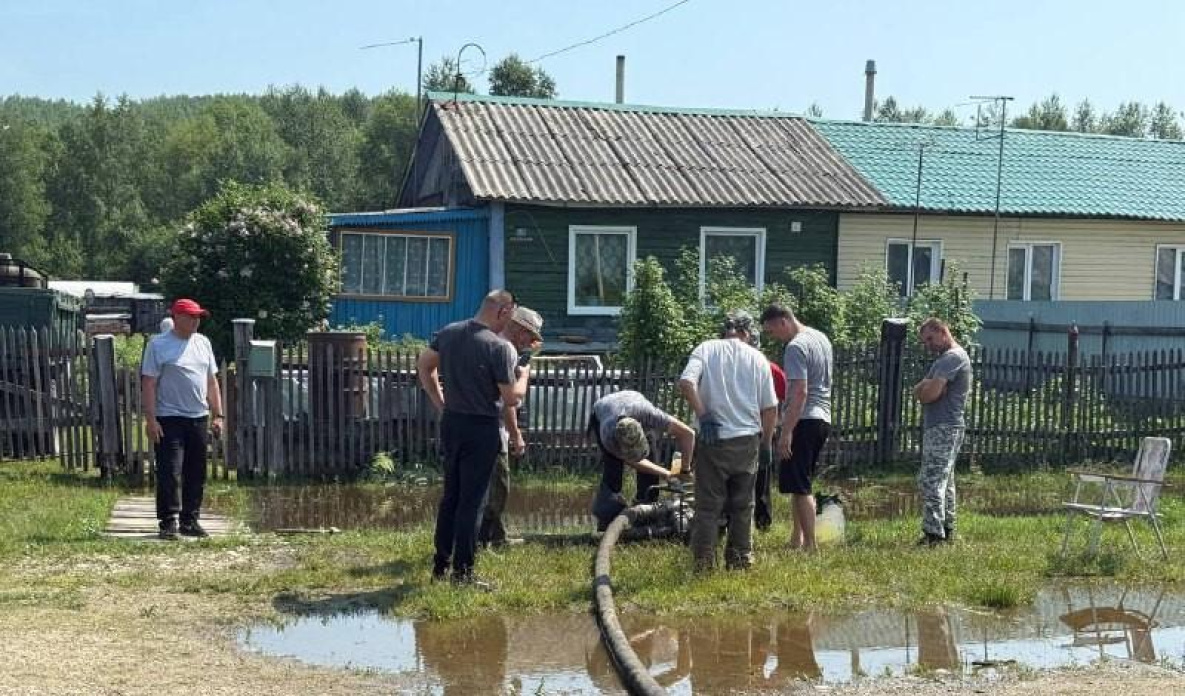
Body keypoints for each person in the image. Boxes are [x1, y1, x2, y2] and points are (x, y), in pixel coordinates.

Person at [417, 290, 529, 586]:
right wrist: (525, 376)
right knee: (472, 503)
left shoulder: (449, 333)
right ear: (503, 311)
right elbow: (511, 398)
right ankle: (463, 573)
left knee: (450, 497)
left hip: (452, 423)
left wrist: (440, 403)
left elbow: (424, 366)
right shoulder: (499, 348)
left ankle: (440, 567)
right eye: (511, 315)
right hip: (483, 428)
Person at [678, 320, 778, 571]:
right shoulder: (757, 359)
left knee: (708, 506)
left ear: (726, 331)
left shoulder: (706, 349)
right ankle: (740, 561)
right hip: (747, 441)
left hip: (714, 440)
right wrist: (766, 443)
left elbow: (686, 382)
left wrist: (704, 416)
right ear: (746, 333)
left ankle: (703, 564)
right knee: (743, 505)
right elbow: (770, 407)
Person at [141, 298, 224, 540]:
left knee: (196, 471)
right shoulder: (158, 345)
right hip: (169, 417)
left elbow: (211, 381)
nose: (196, 321)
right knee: (170, 471)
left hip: (198, 417)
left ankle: (190, 520)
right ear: (176, 317)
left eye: (198, 317)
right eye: (191, 316)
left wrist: (218, 414)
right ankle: (168, 522)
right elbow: (149, 383)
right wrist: (151, 419)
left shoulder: (203, 343)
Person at [760, 304, 833, 552]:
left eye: (772, 331)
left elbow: (799, 391)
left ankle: (810, 546)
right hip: (822, 417)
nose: (773, 337)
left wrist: (786, 431)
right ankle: (796, 538)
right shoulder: (820, 338)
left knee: (801, 486)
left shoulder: (795, 347)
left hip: (804, 419)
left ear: (783, 321)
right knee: (798, 482)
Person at [478, 305, 543, 548]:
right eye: (529, 335)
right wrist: (516, 436)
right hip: (492, 428)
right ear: (517, 329)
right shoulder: (505, 349)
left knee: (489, 487)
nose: (531, 341)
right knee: (498, 487)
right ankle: (483, 540)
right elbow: (510, 401)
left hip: (480, 425)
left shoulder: (494, 345)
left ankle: (495, 536)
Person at [588, 390, 696, 532]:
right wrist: (667, 473)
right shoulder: (608, 435)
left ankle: (647, 514)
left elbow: (688, 434)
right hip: (603, 411)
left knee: (651, 473)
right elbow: (635, 461)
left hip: (633, 402)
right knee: (613, 475)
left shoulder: (651, 416)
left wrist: (685, 469)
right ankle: (607, 520)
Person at [719, 311, 786, 532]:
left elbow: (777, 404)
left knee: (761, 479)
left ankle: (761, 521)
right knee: (734, 479)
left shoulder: (769, 369)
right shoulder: (722, 366)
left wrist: (770, 435)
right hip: (734, 428)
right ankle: (730, 521)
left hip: (759, 429)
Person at [912, 317, 972, 545]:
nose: (928, 345)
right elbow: (920, 390)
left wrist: (925, 388)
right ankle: (947, 528)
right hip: (943, 425)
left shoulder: (952, 358)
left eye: (930, 338)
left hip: (944, 425)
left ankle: (933, 533)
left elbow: (929, 394)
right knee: (945, 482)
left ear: (942, 331)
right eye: (925, 342)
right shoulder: (944, 359)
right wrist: (924, 388)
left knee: (931, 479)